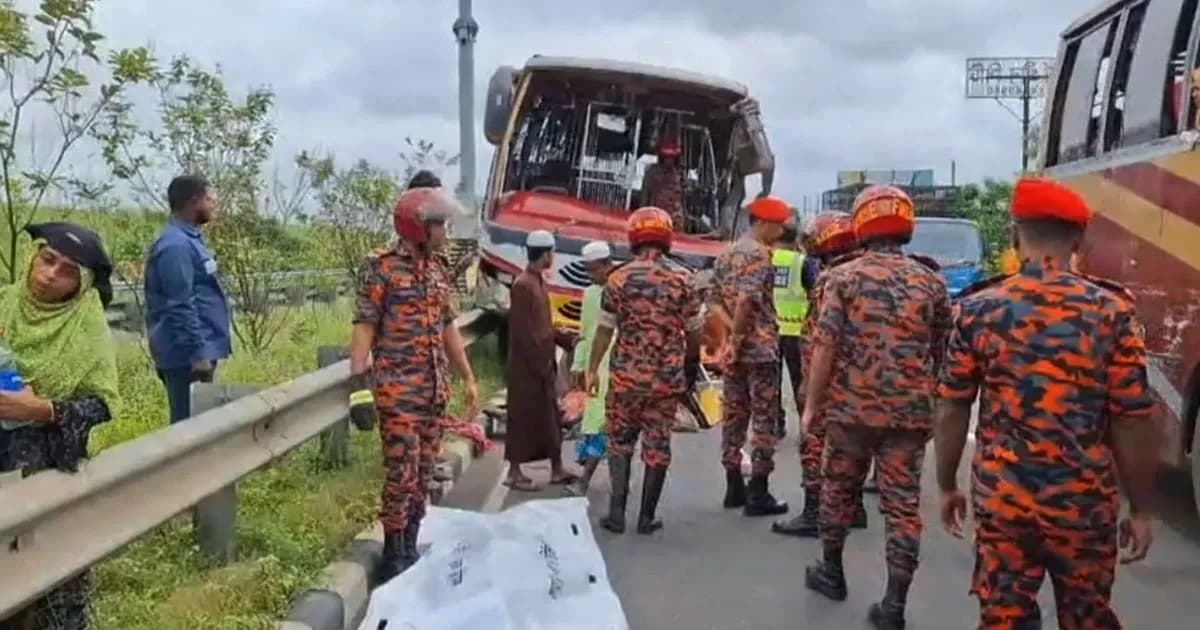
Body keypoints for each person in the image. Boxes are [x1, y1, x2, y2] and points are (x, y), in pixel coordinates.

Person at [934, 177, 1155, 629]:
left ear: (1015, 236)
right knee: (1087, 617)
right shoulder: (1112, 313)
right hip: (1083, 505)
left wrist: (946, 485)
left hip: (1004, 504)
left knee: (1004, 617)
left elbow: (952, 406)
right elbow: (1131, 420)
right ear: (1079, 241)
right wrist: (1141, 508)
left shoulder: (977, 310)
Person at [801, 185, 952, 630]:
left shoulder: (842, 278)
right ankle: (894, 605)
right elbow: (942, 348)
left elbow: (825, 346)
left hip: (851, 412)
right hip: (909, 415)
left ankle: (831, 572)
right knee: (903, 507)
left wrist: (812, 406)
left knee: (837, 490)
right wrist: (934, 398)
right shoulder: (931, 282)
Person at [348, 187, 478, 580]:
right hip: (399, 393)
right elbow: (364, 327)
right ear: (418, 226)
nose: (445, 231)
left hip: (433, 393)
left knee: (423, 474)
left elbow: (448, 328)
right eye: (439, 224)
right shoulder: (382, 267)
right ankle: (393, 553)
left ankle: (410, 544)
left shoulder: (437, 269)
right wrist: (359, 388)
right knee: (400, 477)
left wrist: (467, 376)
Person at [0, 223, 120, 630]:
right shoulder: (4, 305)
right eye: (47, 259)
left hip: (46, 474)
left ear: (82, 284)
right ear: (33, 256)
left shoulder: (87, 327)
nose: (50, 274)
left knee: (57, 597)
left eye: (67, 271)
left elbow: (102, 404)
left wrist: (43, 410)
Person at [585, 206, 703, 534]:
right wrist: (690, 368)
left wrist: (592, 369)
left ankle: (617, 514)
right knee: (657, 445)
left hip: (625, 379)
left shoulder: (617, 279)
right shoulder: (683, 280)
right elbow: (694, 333)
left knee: (620, 443)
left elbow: (604, 331)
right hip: (665, 382)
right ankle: (646, 517)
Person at [771, 211, 868, 538]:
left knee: (814, 442)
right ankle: (854, 507)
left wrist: (809, 393)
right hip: (867, 382)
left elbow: (821, 341)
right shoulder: (873, 274)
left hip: (832, 381)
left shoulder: (831, 280)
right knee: (855, 444)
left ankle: (814, 512)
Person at [710, 195, 792, 517]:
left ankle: (733, 484)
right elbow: (746, 300)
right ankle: (758, 491)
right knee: (763, 418)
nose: (781, 232)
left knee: (734, 414)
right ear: (763, 223)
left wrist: (731, 335)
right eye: (778, 226)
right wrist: (740, 337)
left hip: (736, 353)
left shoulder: (726, 254)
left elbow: (714, 301)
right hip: (760, 349)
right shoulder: (760, 255)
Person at [144, 174, 231, 424]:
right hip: (185, 355)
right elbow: (180, 304)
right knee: (187, 426)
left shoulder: (190, 239)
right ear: (194, 201)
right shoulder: (175, 246)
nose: (213, 205)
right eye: (209, 200)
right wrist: (197, 354)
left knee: (198, 422)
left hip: (197, 349)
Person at [504, 229, 576, 490]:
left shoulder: (538, 282)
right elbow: (525, 332)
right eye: (552, 252)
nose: (553, 257)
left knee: (550, 418)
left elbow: (543, 326)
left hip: (542, 362)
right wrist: (541, 361)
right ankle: (514, 472)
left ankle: (557, 468)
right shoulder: (523, 285)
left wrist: (564, 338)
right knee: (523, 419)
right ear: (545, 254)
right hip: (528, 366)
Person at [566, 241, 615, 497]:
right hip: (596, 370)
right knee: (596, 422)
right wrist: (579, 365)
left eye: (595, 270)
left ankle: (585, 481)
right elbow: (585, 333)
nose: (591, 275)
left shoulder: (621, 291)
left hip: (618, 367)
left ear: (608, 265)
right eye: (588, 271)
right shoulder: (590, 294)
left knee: (604, 426)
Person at [771, 219, 806, 439]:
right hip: (798, 331)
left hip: (769, 330)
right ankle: (806, 427)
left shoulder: (765, 259)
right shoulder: (803, 262)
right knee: (800, 382)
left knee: (771, 382)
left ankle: (776, 425)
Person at [641, 136, 685, 232]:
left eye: (672, 157)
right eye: (667, 157)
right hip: (656, 216)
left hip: (674, 219)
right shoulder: (652, 172)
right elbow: (645, 194)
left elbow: (681, 196)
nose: (670, 160)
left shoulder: (678, 174)